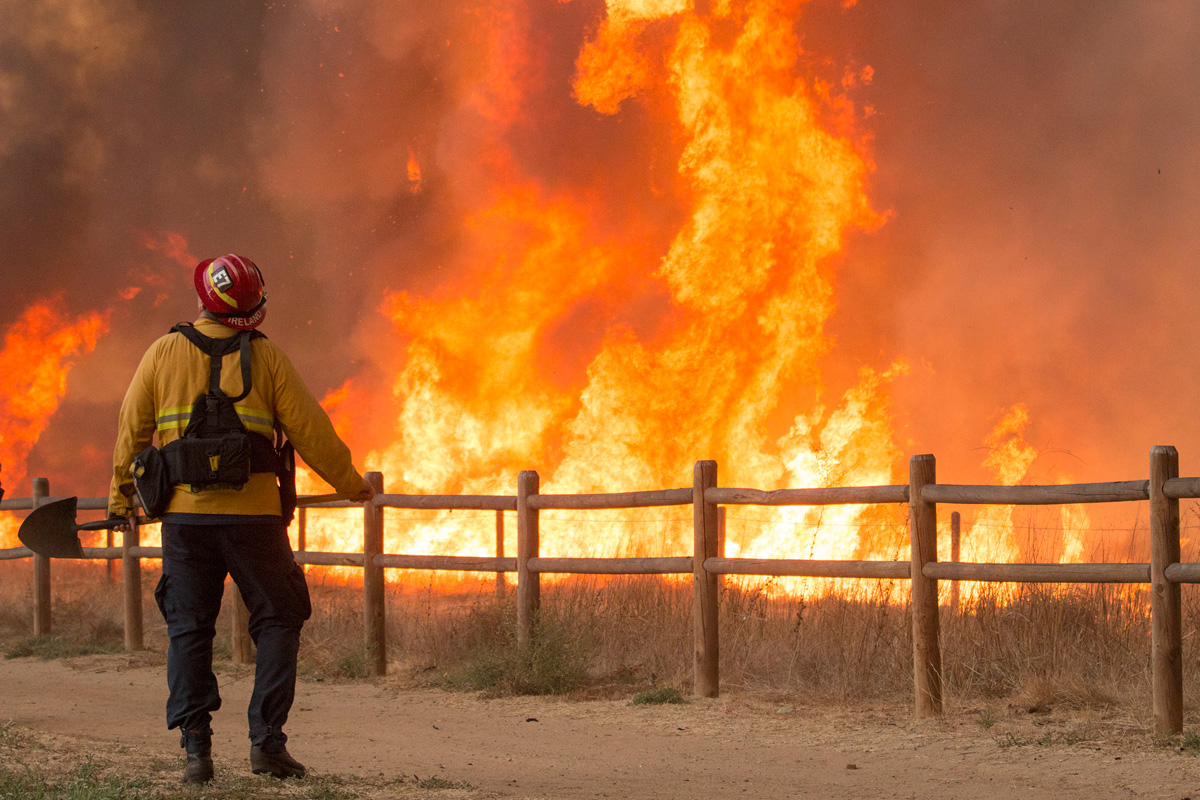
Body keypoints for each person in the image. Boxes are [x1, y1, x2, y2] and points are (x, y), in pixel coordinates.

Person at [108, 254, 375, 784]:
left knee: (189, 630)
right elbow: (309, 427)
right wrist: (351, 484)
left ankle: (195, 752)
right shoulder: (266, 357)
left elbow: (131, 431)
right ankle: (267, 745)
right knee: (279, 616)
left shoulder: (162, 353)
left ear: (202, 298)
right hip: (255, 522)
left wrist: (121, 503)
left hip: (185, 525)